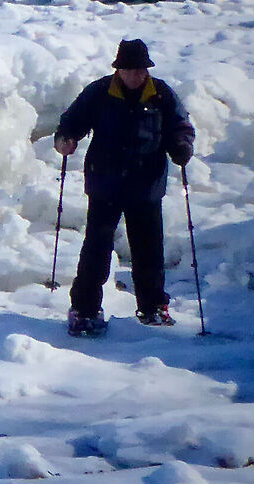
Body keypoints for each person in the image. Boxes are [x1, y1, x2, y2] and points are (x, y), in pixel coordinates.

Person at [52, 39, 194, 336]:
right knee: (97, 248)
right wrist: (66, 138)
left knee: (149, 251)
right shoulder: (100, 92)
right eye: (129, 70)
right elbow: (71, 121)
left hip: (147, 185)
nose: (135, 75)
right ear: (119, 70)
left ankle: (153, 307)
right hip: (106, 183)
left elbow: (180, 126)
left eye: (140, 70)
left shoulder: (161, 94)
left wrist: (181, 146)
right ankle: (84, 310)